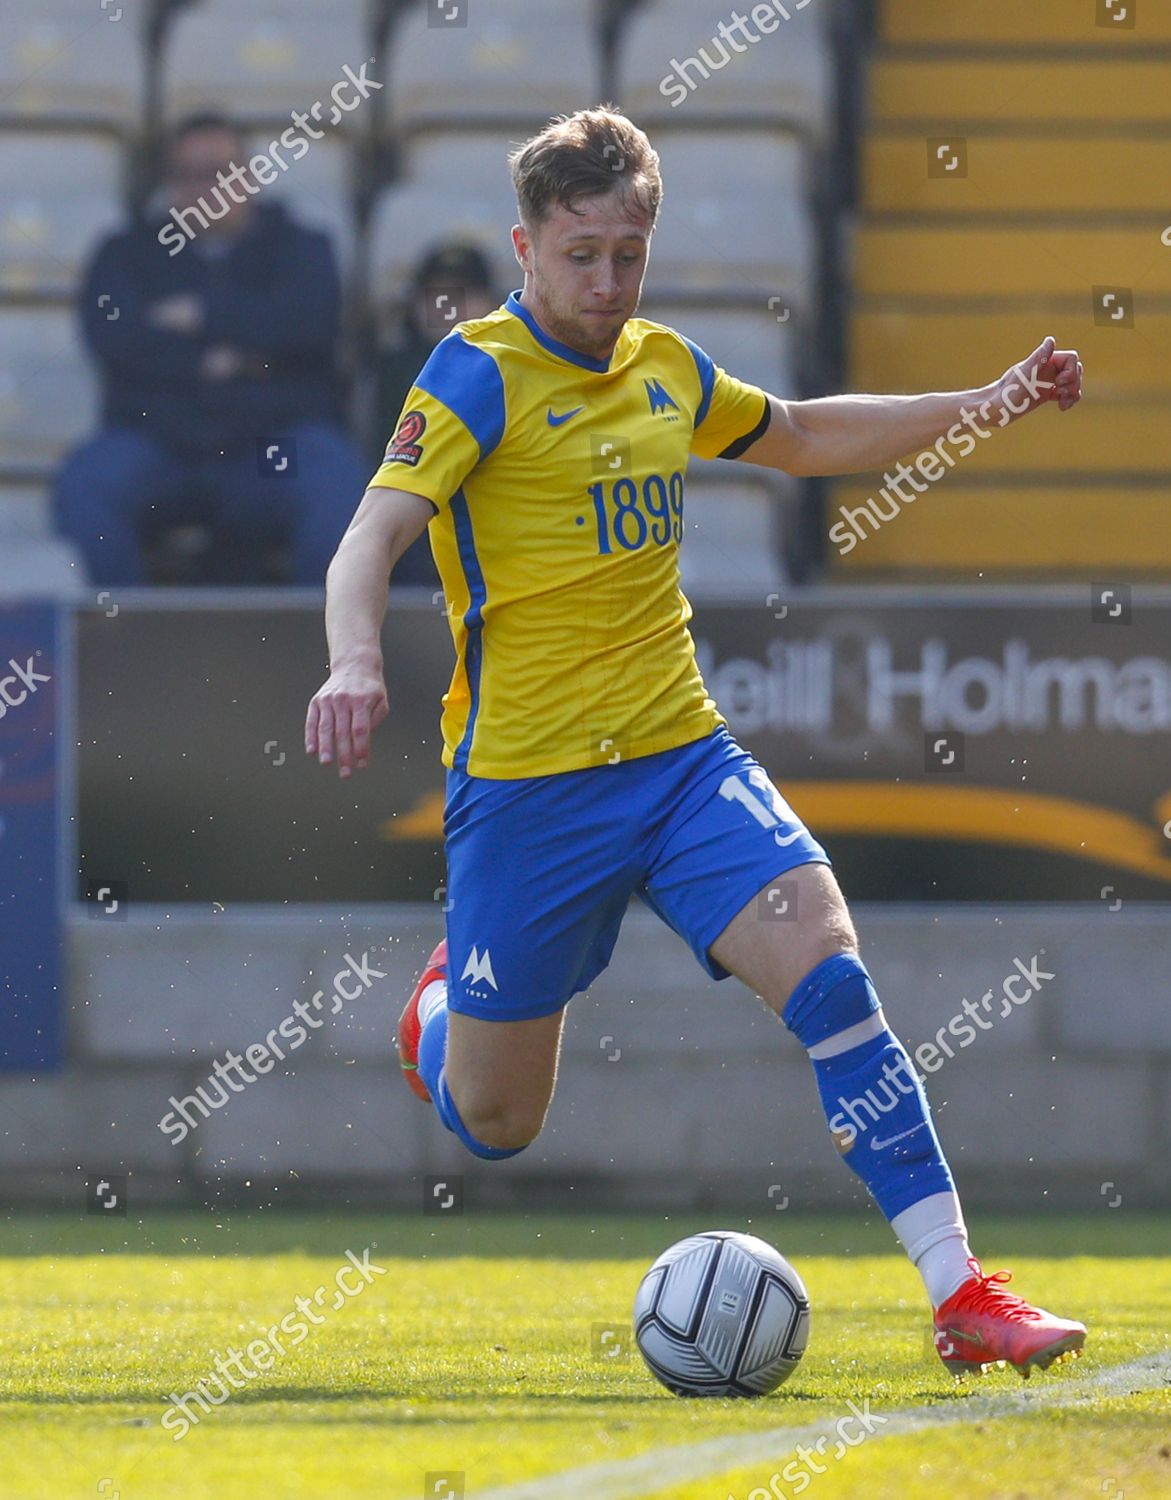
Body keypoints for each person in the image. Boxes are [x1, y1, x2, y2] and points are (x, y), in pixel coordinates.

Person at [304, 107, 1087, 1379]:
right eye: (579, 256)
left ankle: (962, 1294)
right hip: (527, 795)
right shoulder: (473, 374)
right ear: (525, 245)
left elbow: (805, 436)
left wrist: (984, 403)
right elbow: (369, 538)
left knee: (832, 979)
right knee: (498, 1121)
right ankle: (439, 1013)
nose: (605, 283)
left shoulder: (663, 365)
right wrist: (351, 660)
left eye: (626, 253)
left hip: (681, 762)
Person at [54, 112, 367, 585]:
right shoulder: (125, 252)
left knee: (335, 480)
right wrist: (240, 357)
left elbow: (311, 327)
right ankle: (121, 645)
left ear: (250, 178)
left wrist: (202, 315)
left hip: (269, 449)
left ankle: (319, 651)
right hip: (162, 447)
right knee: (87, 483)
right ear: (169, 184)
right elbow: (116, 344)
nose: (208, 189)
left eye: (222, 173)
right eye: (191, 176)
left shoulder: (304, 247)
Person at [372, 242, 499, 585]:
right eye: (437, 296)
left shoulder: (512, 368)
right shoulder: (396, 370)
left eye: (463, 296)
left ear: (489, 302)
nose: (448, 307)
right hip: (420, 505)